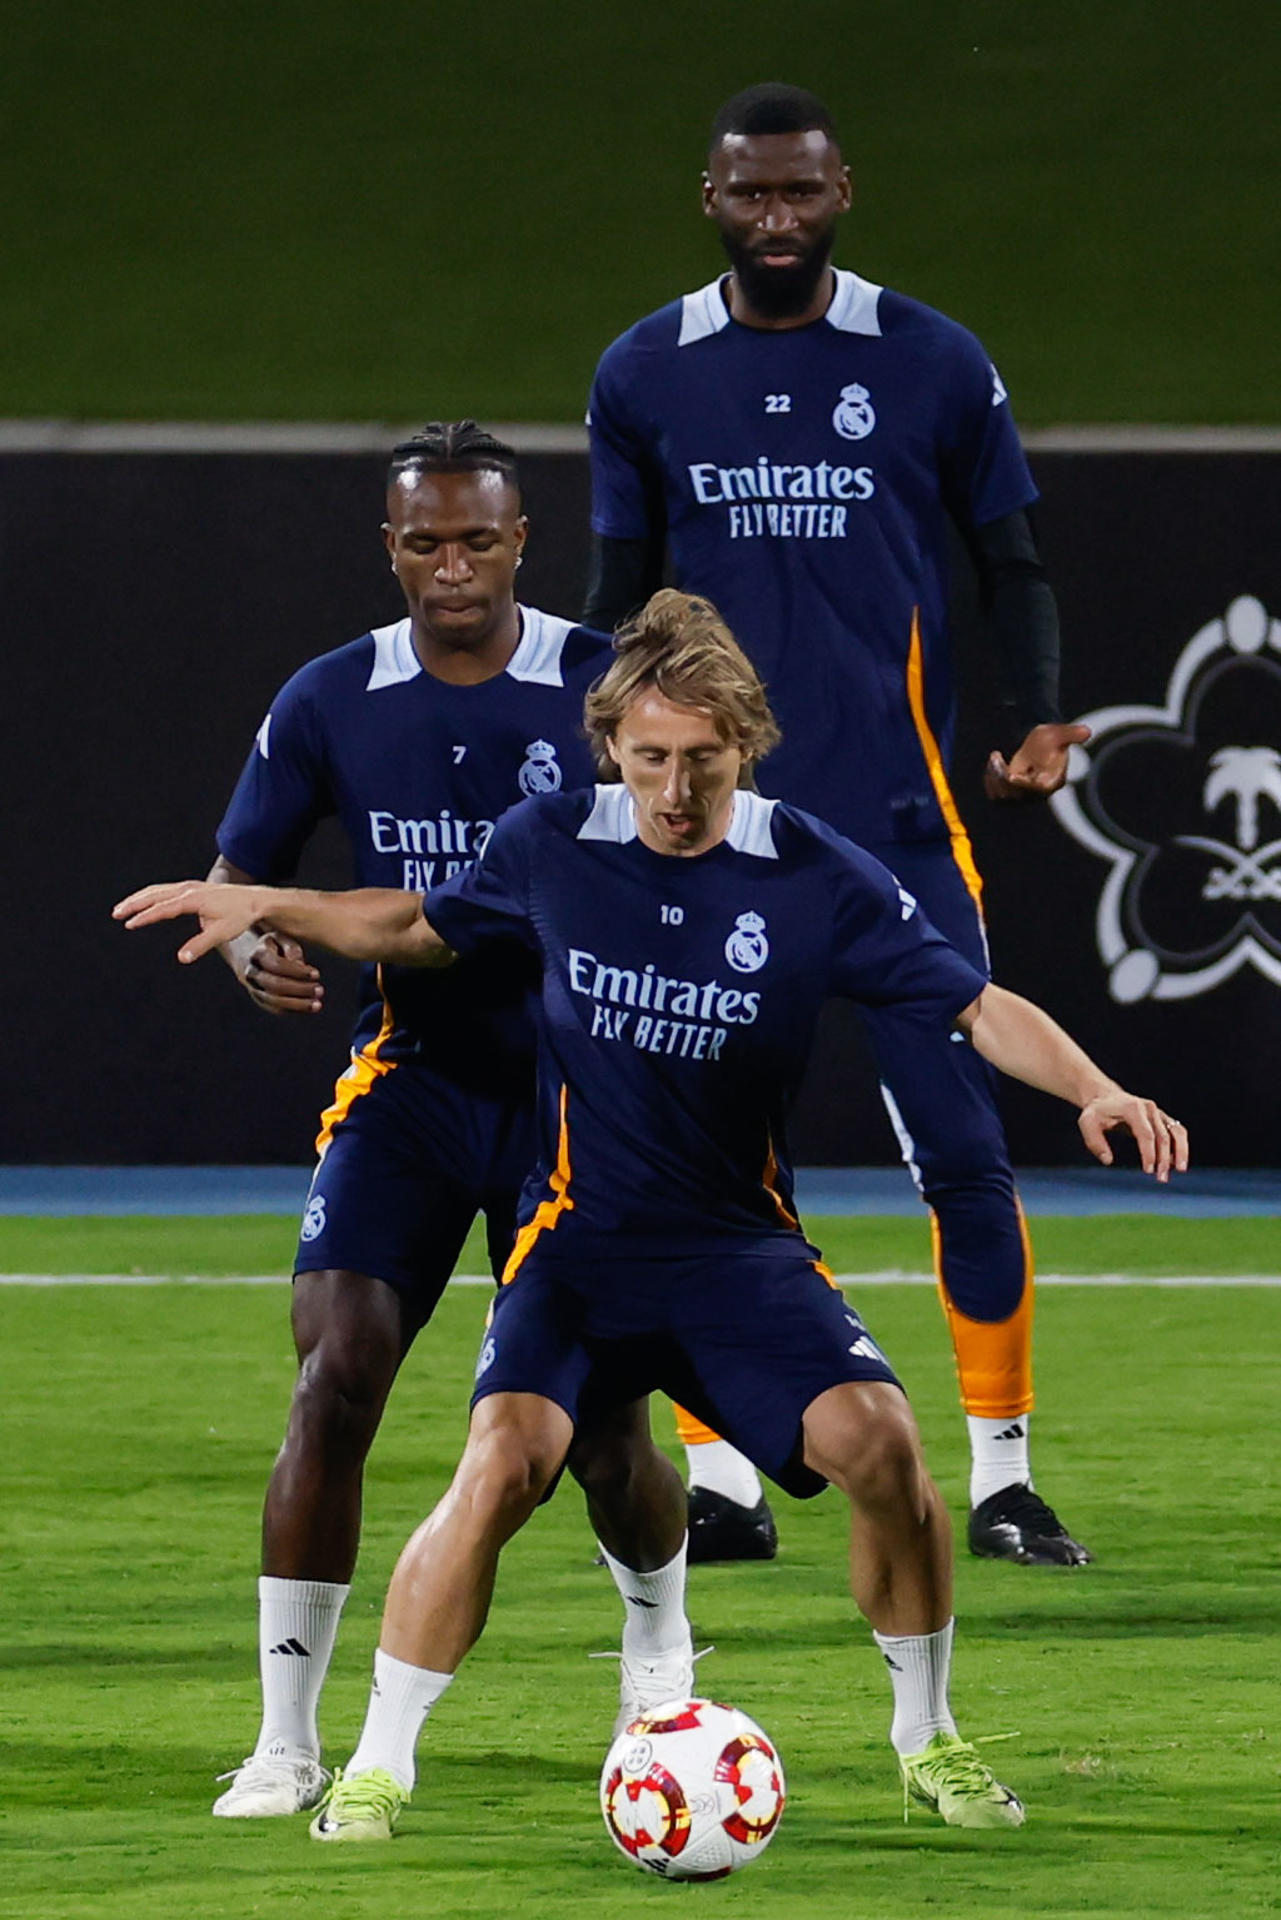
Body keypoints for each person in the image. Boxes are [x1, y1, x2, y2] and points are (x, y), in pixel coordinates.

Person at [116, 590, 1187, 1843]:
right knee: (502, 1465)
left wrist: (1100, 1088)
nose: (676, 789)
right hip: (578, 1252)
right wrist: (265, 903)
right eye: (651, 758)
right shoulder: (553, 839)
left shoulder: (808, 869)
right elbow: (412, 925)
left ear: (748, 744)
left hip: (741, 1256)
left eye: (705, 760)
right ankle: (374, 1765)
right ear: (612, 744)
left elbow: (975, 1004)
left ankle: (927, 1740)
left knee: (886, 1453)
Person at [583, 83, 1095, 1569]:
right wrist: (603, 779)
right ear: (711, 200)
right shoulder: (644, 370)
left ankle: (1000, 1477)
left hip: (894, 823)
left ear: (842, 192)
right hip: (698, 828)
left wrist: (1039, 712)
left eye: (801, 193)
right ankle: (730, 1487)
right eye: (751, 195)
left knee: (961, 1143)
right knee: (691, 1153)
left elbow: (1015, 561)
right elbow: (621, 602)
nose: (777, 219)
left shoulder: (931, 358)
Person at [199, 422, 688, 1820]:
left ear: (524, 540)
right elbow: (246, 876)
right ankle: (288, 1738)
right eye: (426, 541)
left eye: (480, 538)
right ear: (391, 546)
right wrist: (251, 952)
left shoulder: (604, 686)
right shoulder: (330, 696)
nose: (454, 566)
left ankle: (656, 1646)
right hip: (412, 1086)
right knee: (335, 1367)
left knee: (599, 1430)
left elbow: (694, 855)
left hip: (581, 1098)